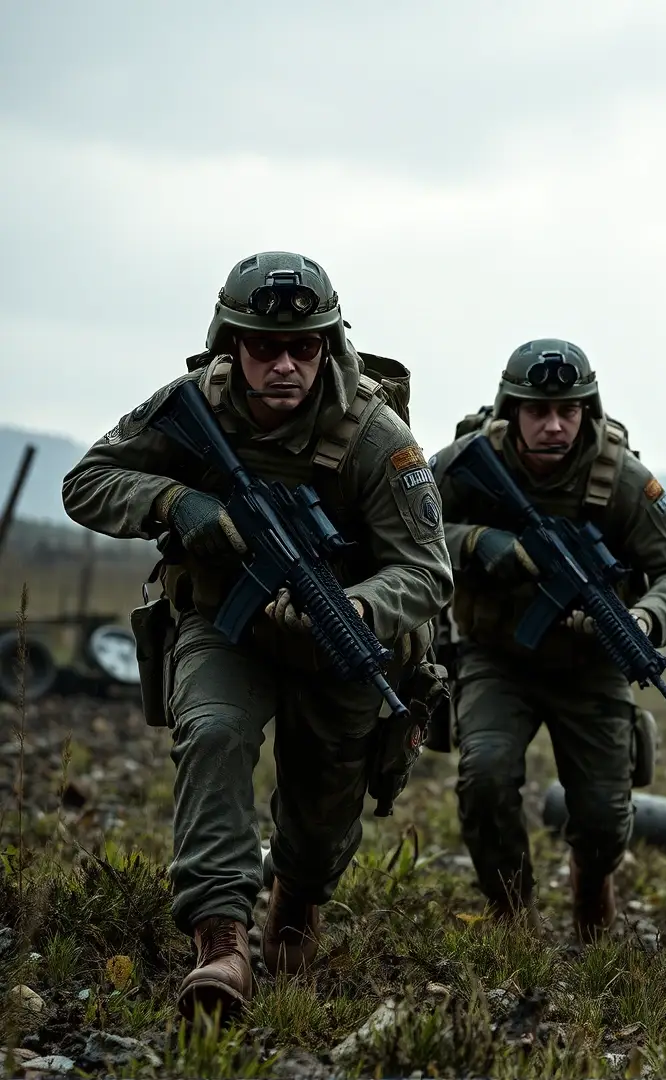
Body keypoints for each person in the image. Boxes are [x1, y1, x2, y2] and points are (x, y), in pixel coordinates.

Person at [61, 251, 454, 1021]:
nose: (284, 365)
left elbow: (428, 570)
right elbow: (88, 482)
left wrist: (361, 609)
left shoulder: (378, 436)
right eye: (264, 347)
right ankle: (220, 943)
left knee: (322, 803)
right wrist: (175, 502)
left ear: (329, 346)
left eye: (304, 348)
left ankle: (294, 910)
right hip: (225, 624)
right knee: (211, 733)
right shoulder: (189, 405)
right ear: (229, 342)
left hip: (339, 642)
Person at [428, 338, 666, 941]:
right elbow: (406, 531)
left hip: (592, 664)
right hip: (496, 655)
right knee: (485, 774)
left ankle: (591, 890)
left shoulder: (623, 479)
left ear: (589, 409)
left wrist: (643, 621)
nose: (555, 425)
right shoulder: (464, 464)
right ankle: (512, 910)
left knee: (607, 814)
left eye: (569, 410)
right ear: (512, 410)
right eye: (538, 411)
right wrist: (480, 543)